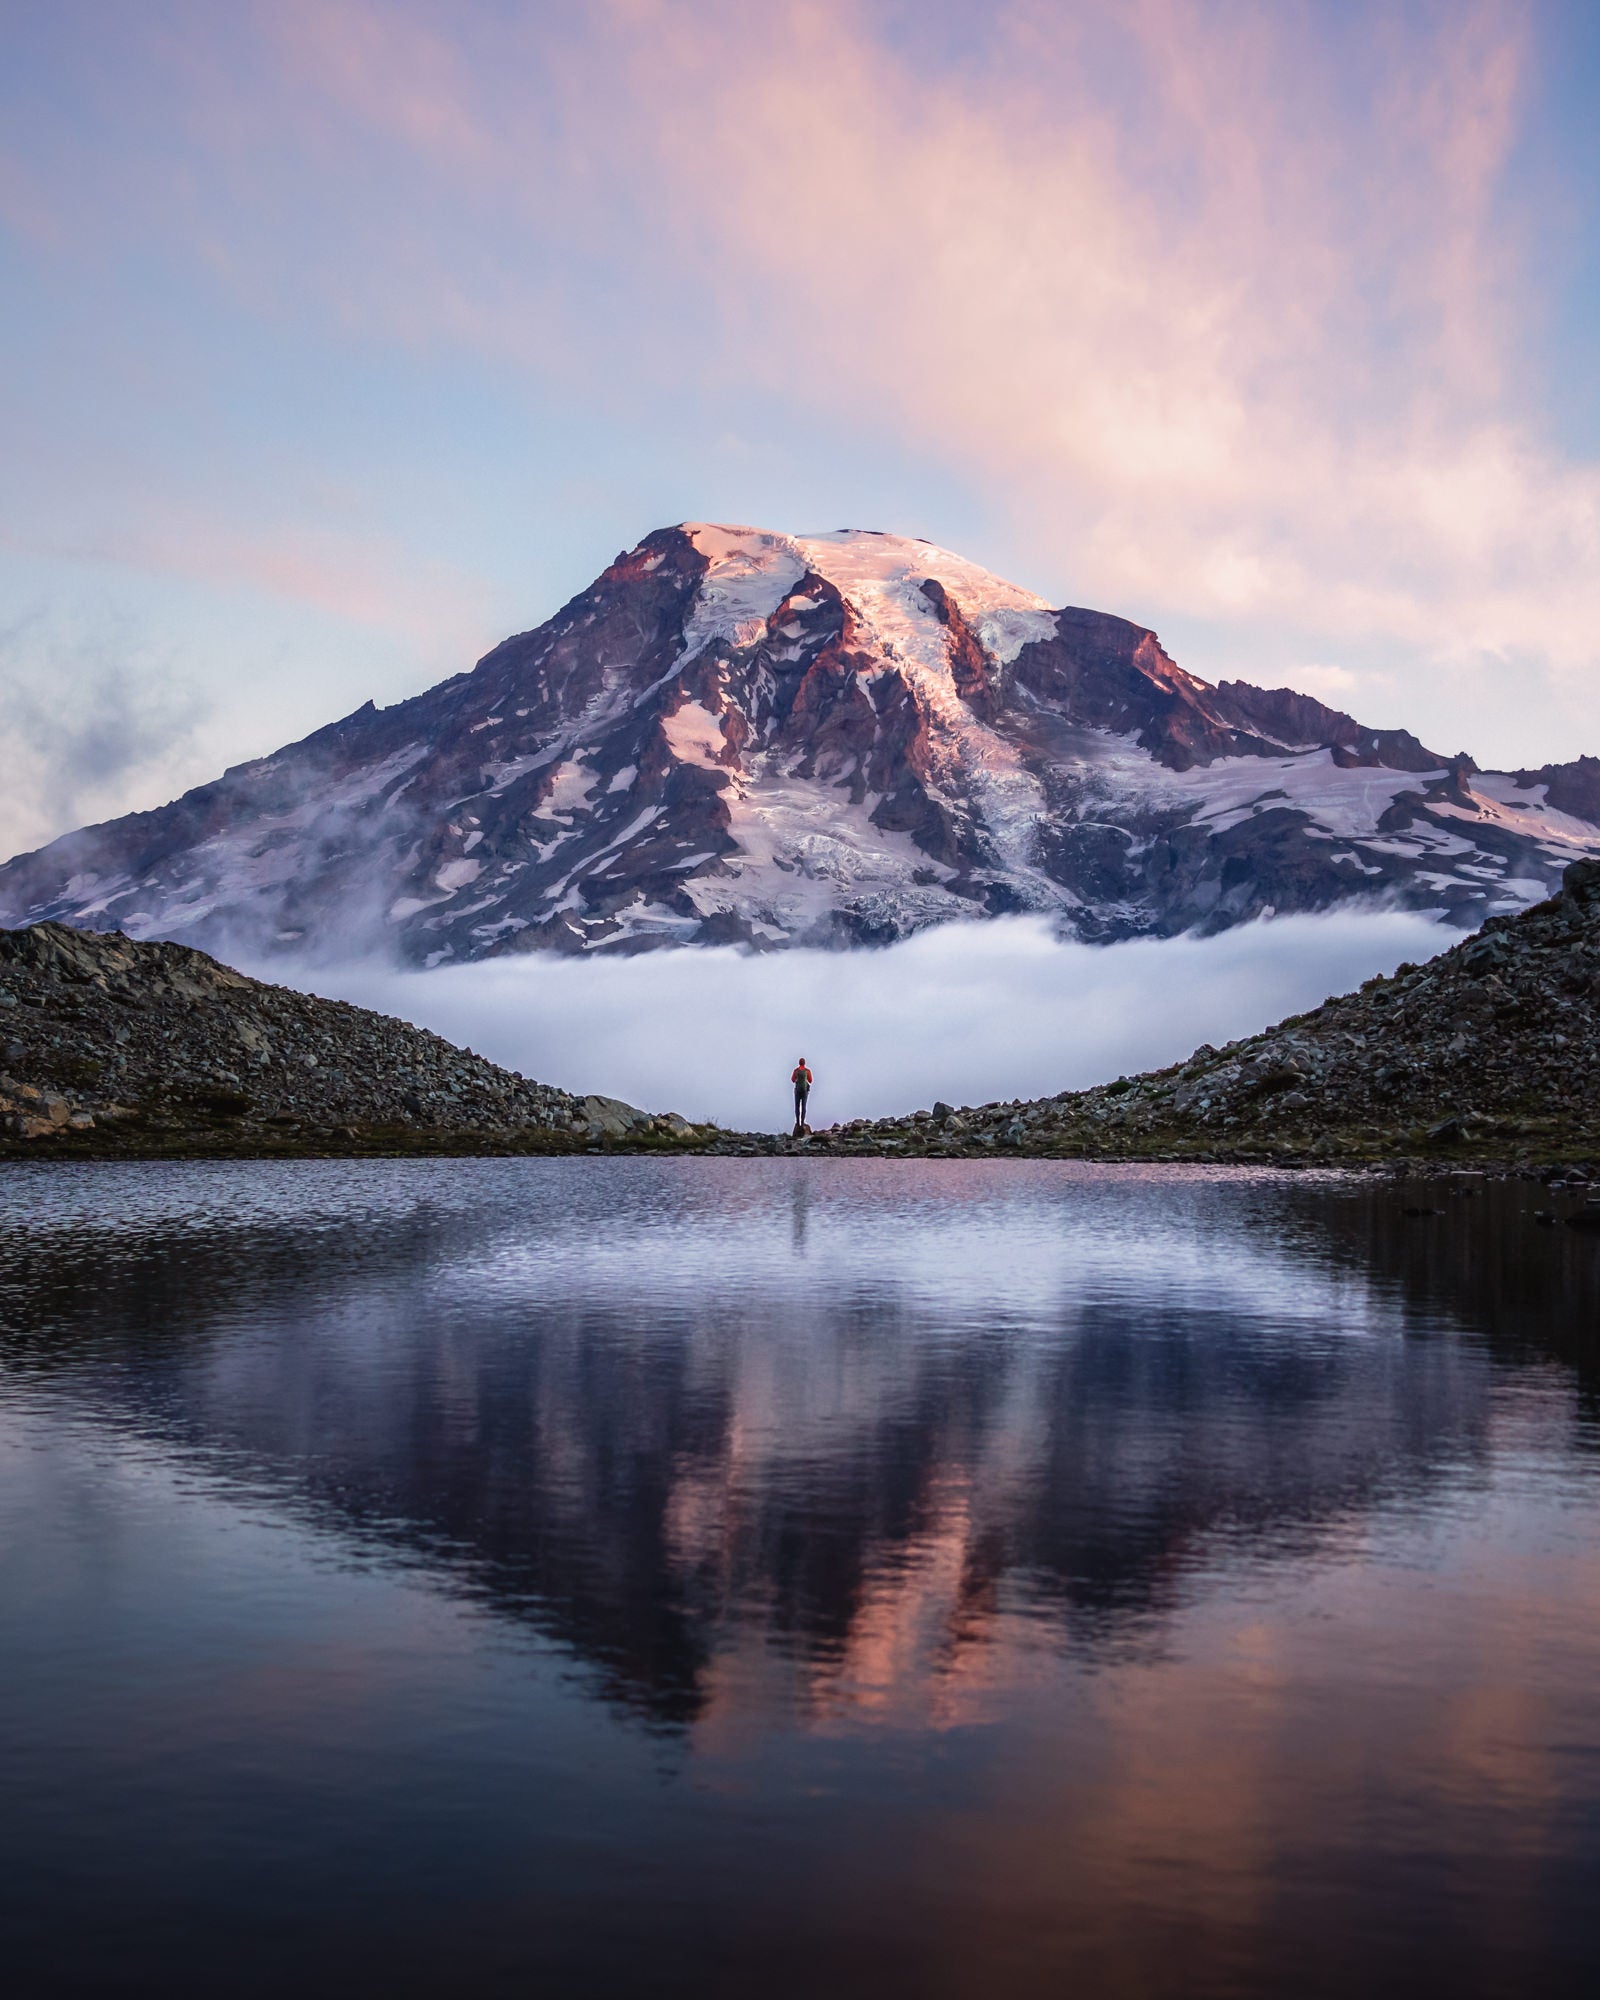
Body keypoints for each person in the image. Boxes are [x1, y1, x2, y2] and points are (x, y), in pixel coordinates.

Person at [791, 1056, 813, 1134]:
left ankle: (797, 1123)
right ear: (804, 1063)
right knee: (803, 1106)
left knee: (797, 1106)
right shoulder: (807, 1071)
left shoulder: (796, 1071)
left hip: (797, 1090)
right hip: (804, 1091)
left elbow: (793, 1080)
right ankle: (803, 1122)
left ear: (799, 1063)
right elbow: (810, 1081)